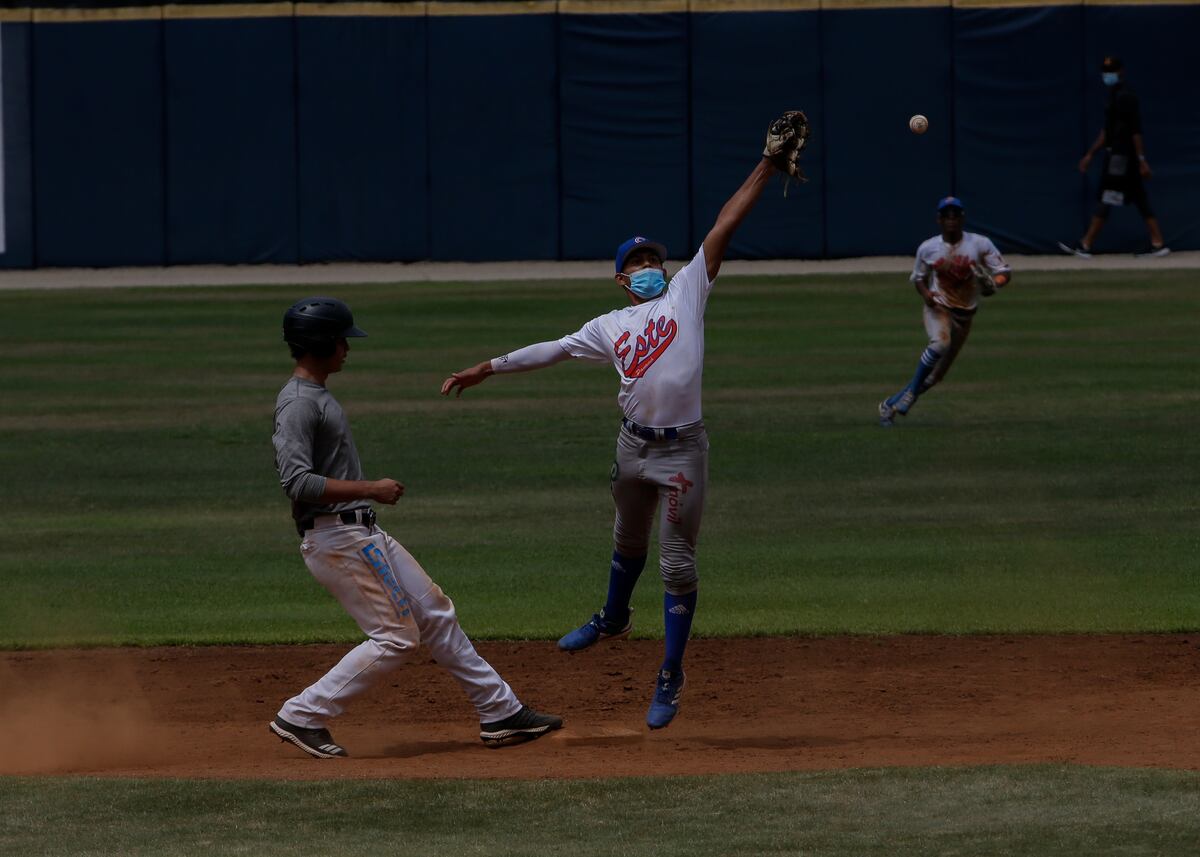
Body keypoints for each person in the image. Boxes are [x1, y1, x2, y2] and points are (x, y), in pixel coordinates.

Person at [439, 131, 796, 731]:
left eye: (654, 259)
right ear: (621, 280)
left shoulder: (687, 291)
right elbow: (551, 349)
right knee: (627, 541)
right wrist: (488, 367)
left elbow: (724, 224)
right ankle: (613, 617)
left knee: (677, 565)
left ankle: (670, 674)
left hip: (683, 450)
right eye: (637, 264)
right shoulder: (608, 326)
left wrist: (767, 163)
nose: (649, 267)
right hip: (632, 448)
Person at [269, 296, 562, 758]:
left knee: (435, 611)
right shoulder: (299, 405)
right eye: (342, 340)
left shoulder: (317, 396)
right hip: (337, 536)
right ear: (321, 343)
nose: (348, 348)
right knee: (397, 637)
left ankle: (499, 711)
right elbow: (296, 481)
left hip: (360, 532)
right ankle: (302, 715)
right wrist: (372, 487)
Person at [878, 196, 1012, 427]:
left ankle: (889, 405)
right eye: (946, 215)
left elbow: (1003, 271)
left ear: (962, 218)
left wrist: (995, 283)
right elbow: (919, 279)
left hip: (965, 314)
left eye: (955, 215)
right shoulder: (928, 247)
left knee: (935, 377)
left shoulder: (979, 244)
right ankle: (909, 396)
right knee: (940, 343)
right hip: (939, 308)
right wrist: (926, 294)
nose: (951, 219)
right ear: (938, 220)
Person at [1059, 56, 1170, 258]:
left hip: (1122, 157)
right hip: (1117, 154)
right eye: (1105, 70)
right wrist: (1091, 154)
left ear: (1120, 71)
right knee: (1137, 197)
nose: (1107, 74)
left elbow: (1135, 130)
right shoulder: (1114, 96)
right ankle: (1158, 243)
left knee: (1108, 196)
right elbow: (1107, 131)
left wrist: (1141, 159)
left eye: (1111, 70)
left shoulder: (1126, 96)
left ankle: (1086, 244)